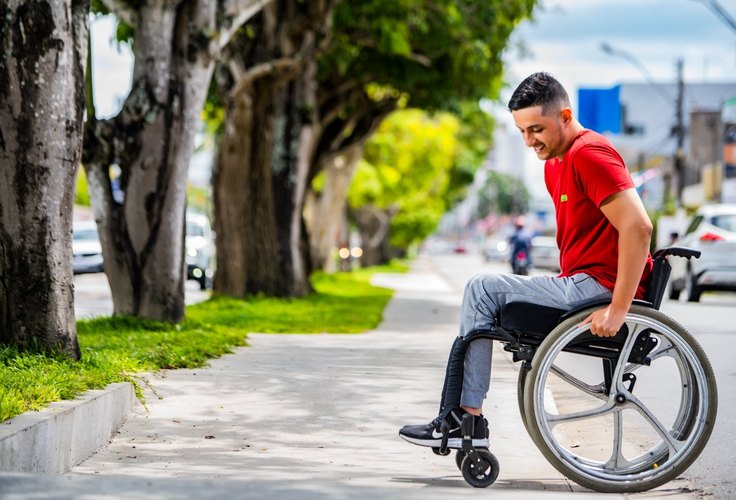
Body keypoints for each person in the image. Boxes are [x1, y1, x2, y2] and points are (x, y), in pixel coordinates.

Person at [399, 72, 653, 450]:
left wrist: (619, 308)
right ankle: (463, 418)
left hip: (597, 285)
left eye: (536, 129)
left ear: (565, 116)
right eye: (521, 131)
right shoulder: (555, 164)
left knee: (482, 288)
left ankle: (465, 420)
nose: (529, 141)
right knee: (485, 296)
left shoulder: (590, 153)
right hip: (579, 281)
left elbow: (639, 227)